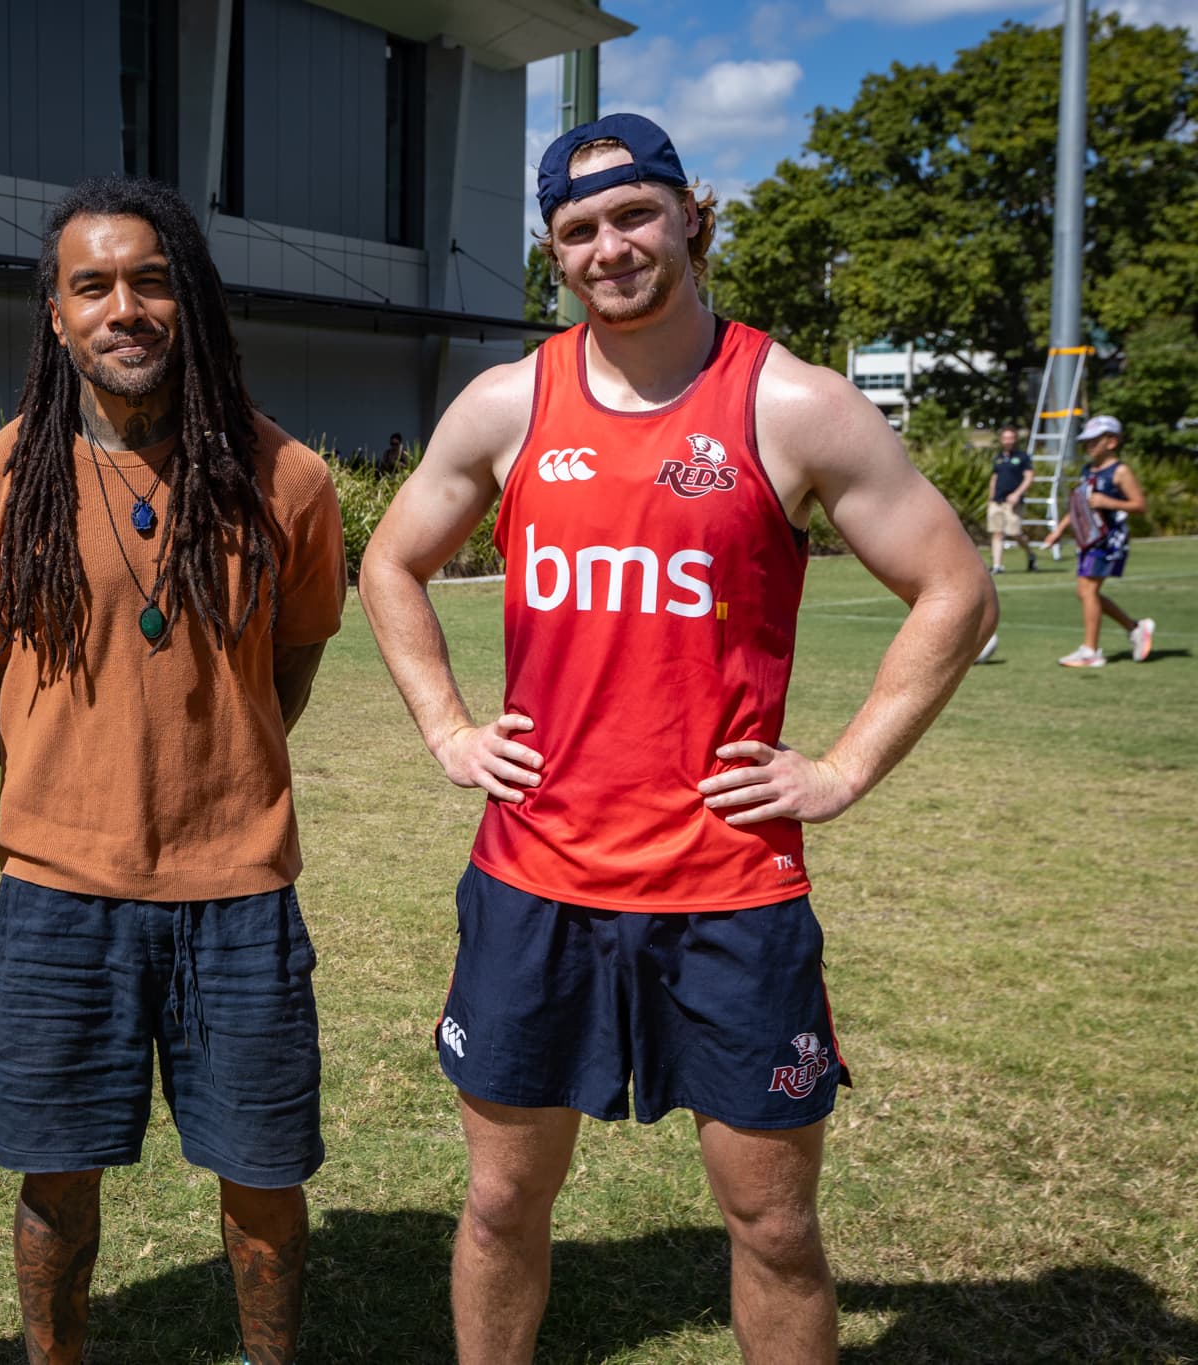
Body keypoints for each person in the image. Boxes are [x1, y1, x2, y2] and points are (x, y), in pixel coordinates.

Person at [357, 114, 995, 1364]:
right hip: (533, 880)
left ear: (691, 215)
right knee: (498, 1202)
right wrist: (443, 727)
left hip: (730, 893)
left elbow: (953, 589)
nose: (611, 247)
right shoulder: (504, 403)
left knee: (771, 1227)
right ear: (554, 253)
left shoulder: (792, 403)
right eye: (578, 230)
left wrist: (843, 767)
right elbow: (388, 561)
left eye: (634, 213)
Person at [0, 175, 346, 1365]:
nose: (125, 307)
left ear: (191, 301)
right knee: (55, 1182)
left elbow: (292, 661)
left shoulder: (288, 483)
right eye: (92, 285)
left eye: (151, 280)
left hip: (240, 895)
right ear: (54, 317)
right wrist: (65, 780)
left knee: (263, 1181)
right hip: (60, 892)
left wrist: (217, 772)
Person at [1042, 414, 1155, 667]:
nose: (1089, 445)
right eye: (1087, 441)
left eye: (1095, 440)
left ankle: (1091, 651)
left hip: (1109, 539)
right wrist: (1059, 530)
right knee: (1085, 592)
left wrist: (1108, 502)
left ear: (1112, 441)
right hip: (1089, 538)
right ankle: (1135, 627)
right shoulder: (1088, 470)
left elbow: (1139, 505)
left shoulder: (1120, 471)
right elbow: (1081, 504)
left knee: (1088, 591)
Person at [986, 423, 1036, 572]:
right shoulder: (998, 458)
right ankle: (997, 565)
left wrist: (1017, 494)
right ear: (1001, 440)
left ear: (1015, 439)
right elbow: (994, 478)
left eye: (1011, 438)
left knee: (1015, 533)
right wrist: (990, 498)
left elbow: (1029, 477)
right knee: (997, 532)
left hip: (1013, 502)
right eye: (1005, 438)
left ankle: (1031, 554)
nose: (1008, 441)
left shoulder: (1023, 457)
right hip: (997, 500)